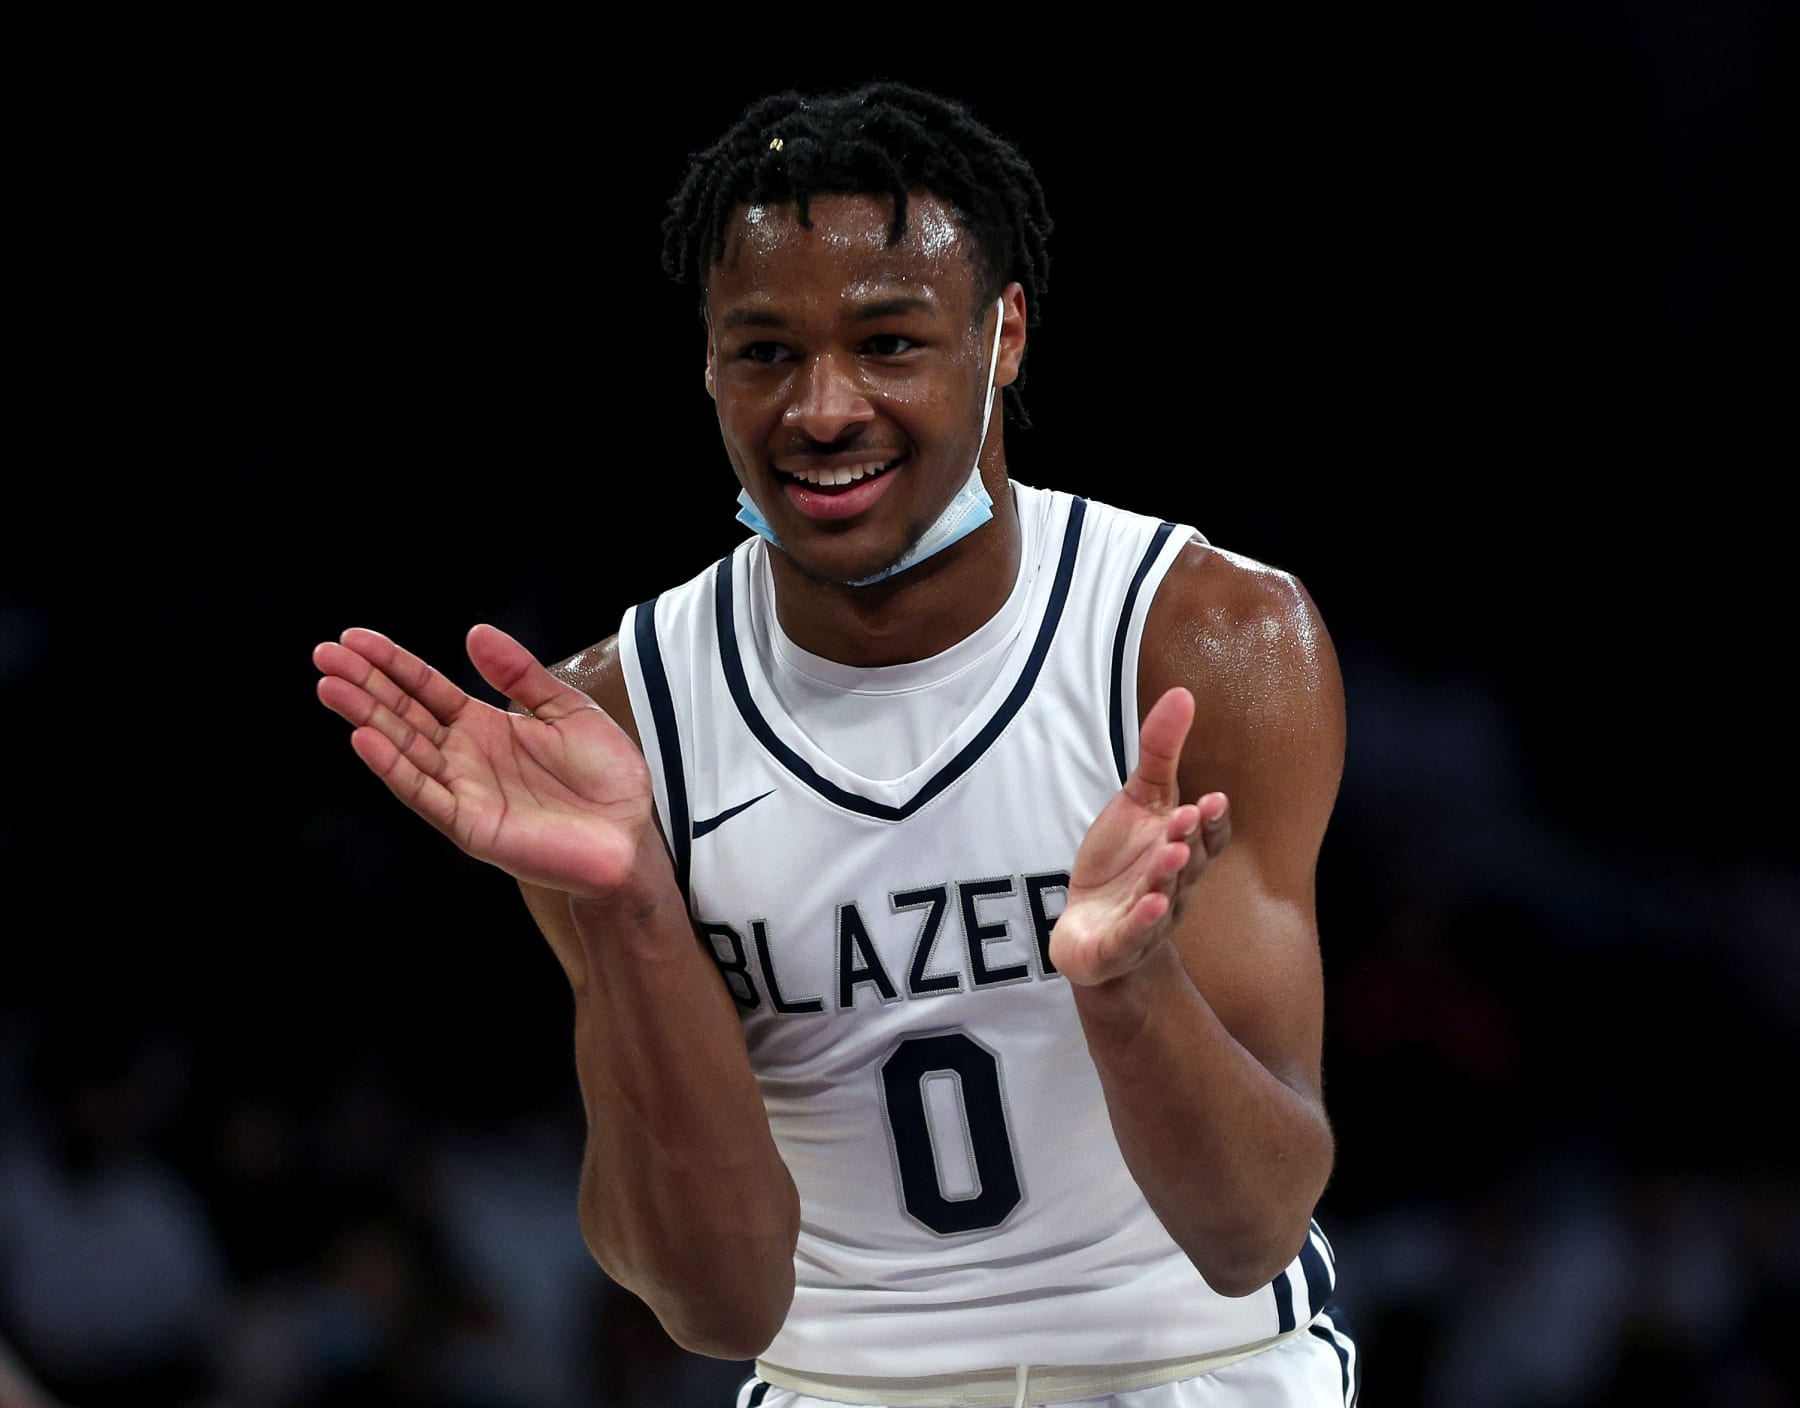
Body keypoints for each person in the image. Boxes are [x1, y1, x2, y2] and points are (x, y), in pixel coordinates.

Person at [314, 82, 1358, 1408]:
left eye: (888, 342)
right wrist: (631, 902)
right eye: (763, 352)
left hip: (1197, 1371)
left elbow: (1250, 1230)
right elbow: (715, 1302)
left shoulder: (1203, 643)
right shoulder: (622, 727)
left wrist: (1125, 988)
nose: (820, 408)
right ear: (706, 363)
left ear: (1004, 336)